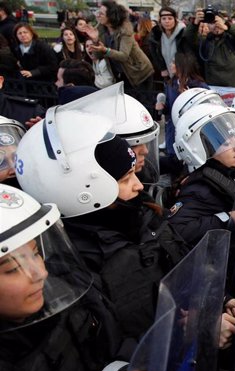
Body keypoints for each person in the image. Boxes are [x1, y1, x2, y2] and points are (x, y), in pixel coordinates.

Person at [16, 87, 190, 339]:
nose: (140, 185)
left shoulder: (142, 214)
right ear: (85, 191)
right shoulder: (73, 264)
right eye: (126, 178)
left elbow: (183, 261)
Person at [0, 183, 139, 371]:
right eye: (12, 269)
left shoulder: (60, 302)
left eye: (36, 254)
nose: (41, 273)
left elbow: (92, 365)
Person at [169, 100, 235, 246]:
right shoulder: (199, 189)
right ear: (200, 148)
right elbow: (177, 229)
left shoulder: (230, 172)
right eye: (226, 143)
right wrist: (226, 219)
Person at [79, 1, 154, 90]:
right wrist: (95, 41)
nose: (98, 15)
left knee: (141, 102)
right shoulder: (102, 30)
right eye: (98, 12)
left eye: (101, 14)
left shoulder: (125, 31)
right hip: (121, 74)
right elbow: (98, 56)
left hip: (139, 74)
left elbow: (123, 56)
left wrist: (106, 50)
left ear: (111, 16)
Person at [183, 7, 235, 87]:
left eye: (217, 22)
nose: (216, 25)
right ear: (208, 25)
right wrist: (195, 23)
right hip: (214, 86)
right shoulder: (204, 41)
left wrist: (227, 26)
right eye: (212, 23)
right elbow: (188, 37)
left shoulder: (232, 39)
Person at [149, 6, 191, 83]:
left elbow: (189, 54)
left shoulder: (183, 33)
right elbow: (154, 53)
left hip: (184, 75)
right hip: (168, 75)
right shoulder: (156, 35)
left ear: (175, 19)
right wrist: (162, 68)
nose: (167, 21)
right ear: (160, 20)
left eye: (170, 18)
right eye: (164, 19)